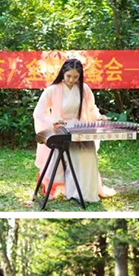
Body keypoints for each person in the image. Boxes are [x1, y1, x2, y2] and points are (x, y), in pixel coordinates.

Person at [33, 58, 115, 202]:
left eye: (75, 77)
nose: (71, 80)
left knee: (88, 154)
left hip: (79, 127)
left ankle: (84, 190)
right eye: (69, 76)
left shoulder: (84, 89)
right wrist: (53, 120)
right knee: (62, 157)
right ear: (63, 74)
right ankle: (63, 187)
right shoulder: (52, 90)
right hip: (61, 128)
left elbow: (91, 109)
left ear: (80, 76)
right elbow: (39, 113)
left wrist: (98, 117)